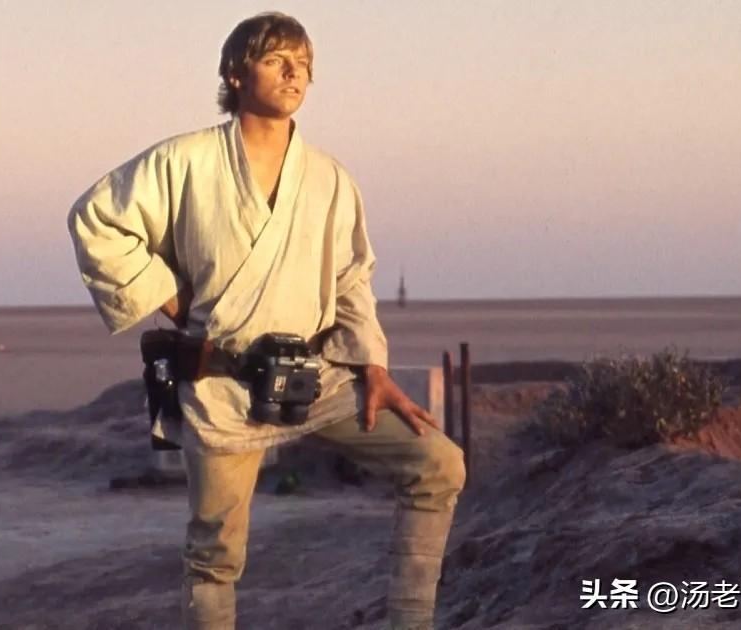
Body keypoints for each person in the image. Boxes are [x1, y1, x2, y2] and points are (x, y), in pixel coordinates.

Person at [67, 12, 465, 629]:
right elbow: (96, 218)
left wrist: (373, 366)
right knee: (215, 556)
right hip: (223, 383)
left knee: (438, 464)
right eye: (276, 60)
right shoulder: (186, 161)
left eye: (302, 64)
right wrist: (167, 295)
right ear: (235, 73)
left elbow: (351, 277)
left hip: (315, 376)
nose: (293, 73)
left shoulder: (329, 178)